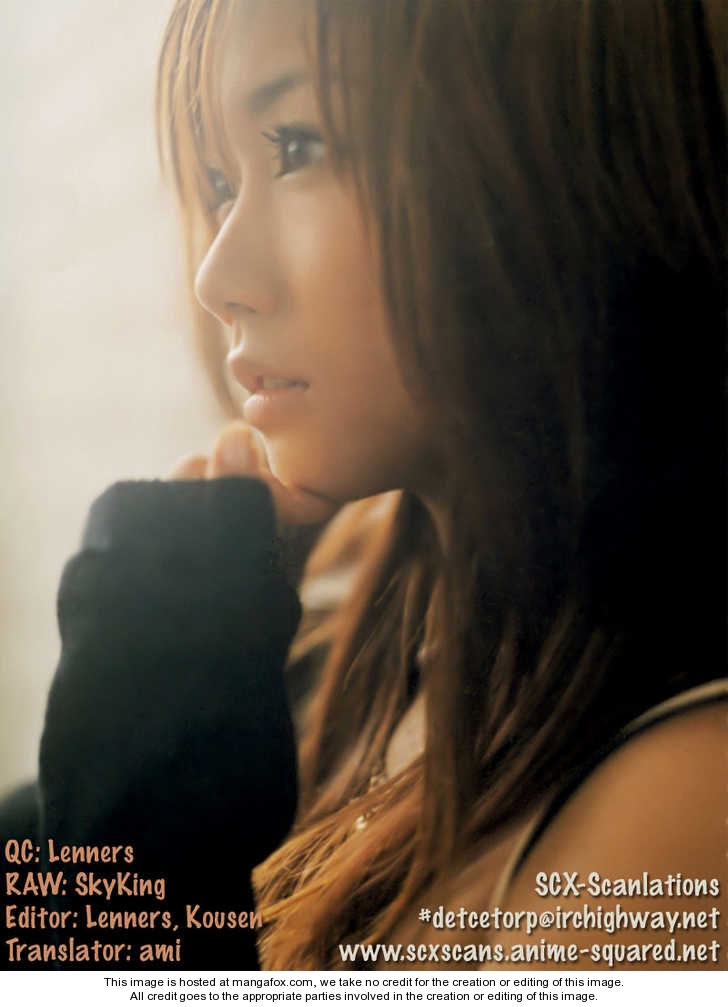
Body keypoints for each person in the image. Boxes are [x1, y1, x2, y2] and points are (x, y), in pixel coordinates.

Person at [1, 0, 726, 973]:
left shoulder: (685, 805)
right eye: (219, 182)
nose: (217, 276)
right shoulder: (340, 651)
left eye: (298, 145)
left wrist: (141, 805)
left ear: (557, 142)